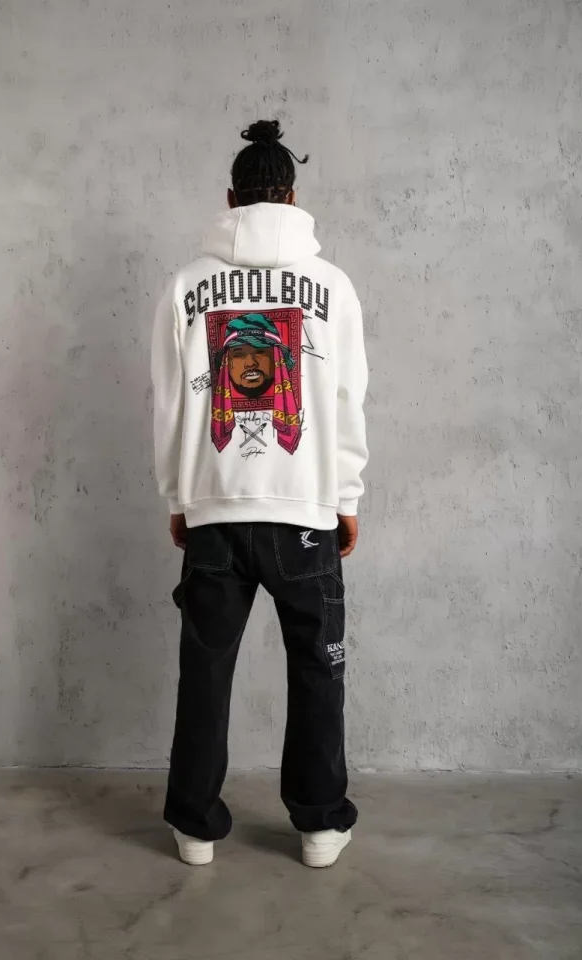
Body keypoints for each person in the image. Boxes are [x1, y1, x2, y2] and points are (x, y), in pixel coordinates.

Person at [151, 119, 368, 868]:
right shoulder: (332, 286)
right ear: (292, 198)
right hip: (304, 509)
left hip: (215, 507)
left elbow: (170, 404)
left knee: (206, 671)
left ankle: (193, 827)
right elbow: (346, 399)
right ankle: (319, 825)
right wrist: (345, 497)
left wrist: (179, 498)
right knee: (317, 669)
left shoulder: (186, 285)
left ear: (230, 199)